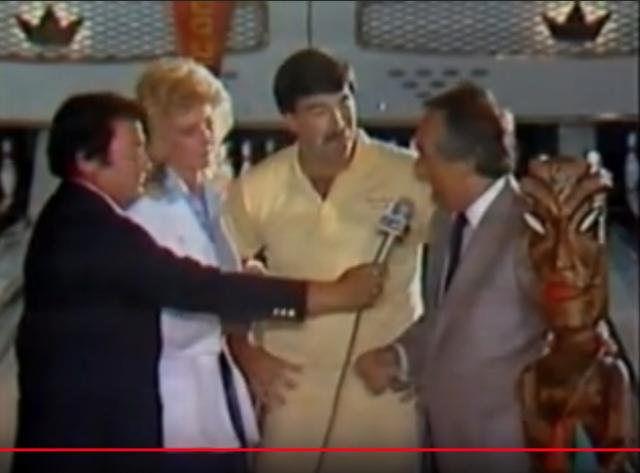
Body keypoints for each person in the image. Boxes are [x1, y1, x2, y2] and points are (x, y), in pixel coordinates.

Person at [12, 92, 383, 473]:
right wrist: (328, 295)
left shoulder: (80, 216)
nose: (145, 160)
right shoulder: (91, 228)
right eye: (135, 149)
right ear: (88, 160)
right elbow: (197, 287)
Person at [222, 48, 433, 473]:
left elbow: (461, 276)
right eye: (319, 111)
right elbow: (224, 282)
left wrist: (417, 356)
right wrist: (246, 352)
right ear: (290, 120)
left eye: (345, 102)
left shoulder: (412, 176)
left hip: (383, 390)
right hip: (293, 390)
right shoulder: (257, 188)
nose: (339, 122)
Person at [355, 82, 546, 473]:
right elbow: (445, 322)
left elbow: (576, 343)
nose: (418, 170)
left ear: (466, 161)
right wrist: (399, 356)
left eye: (425, 155)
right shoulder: (447, 222)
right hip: (445, 448)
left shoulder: (530, 232)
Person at [125, 57, 258, 471]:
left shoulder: (211, 198)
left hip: (218, 394)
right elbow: (174, 311)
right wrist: (239, 294)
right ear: (159, 140)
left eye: (209, 123)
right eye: (189, 130)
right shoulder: (146, 214)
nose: (206, 138)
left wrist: (242, 285)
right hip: (175, 401)